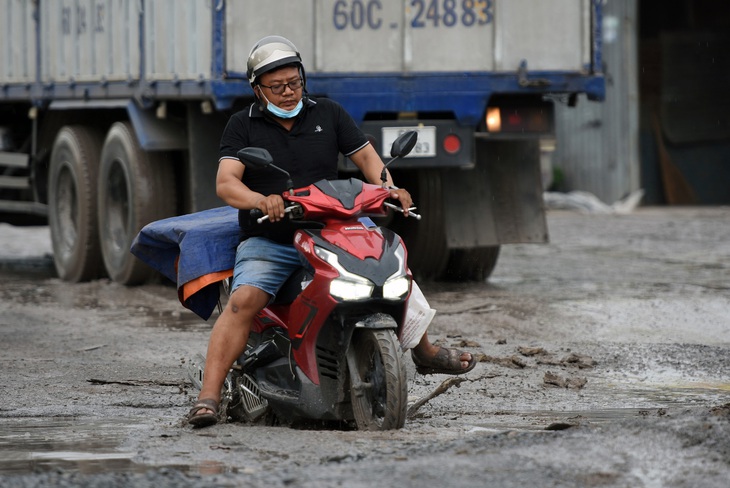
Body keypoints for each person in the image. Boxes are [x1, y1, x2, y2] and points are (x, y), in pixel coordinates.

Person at [188, 36, 476, 427]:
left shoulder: (329, 113)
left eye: (295, 82)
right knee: (244, 300)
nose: (289, 92)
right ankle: (209, 395)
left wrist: (389, 187)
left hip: (334, 226)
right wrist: (260, 200)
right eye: (278, 86)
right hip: (273, 237)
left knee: (393, 271)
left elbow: (369, 160)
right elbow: (226, 182)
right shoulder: (242, 125)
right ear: (258, 89)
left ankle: (423, 352)